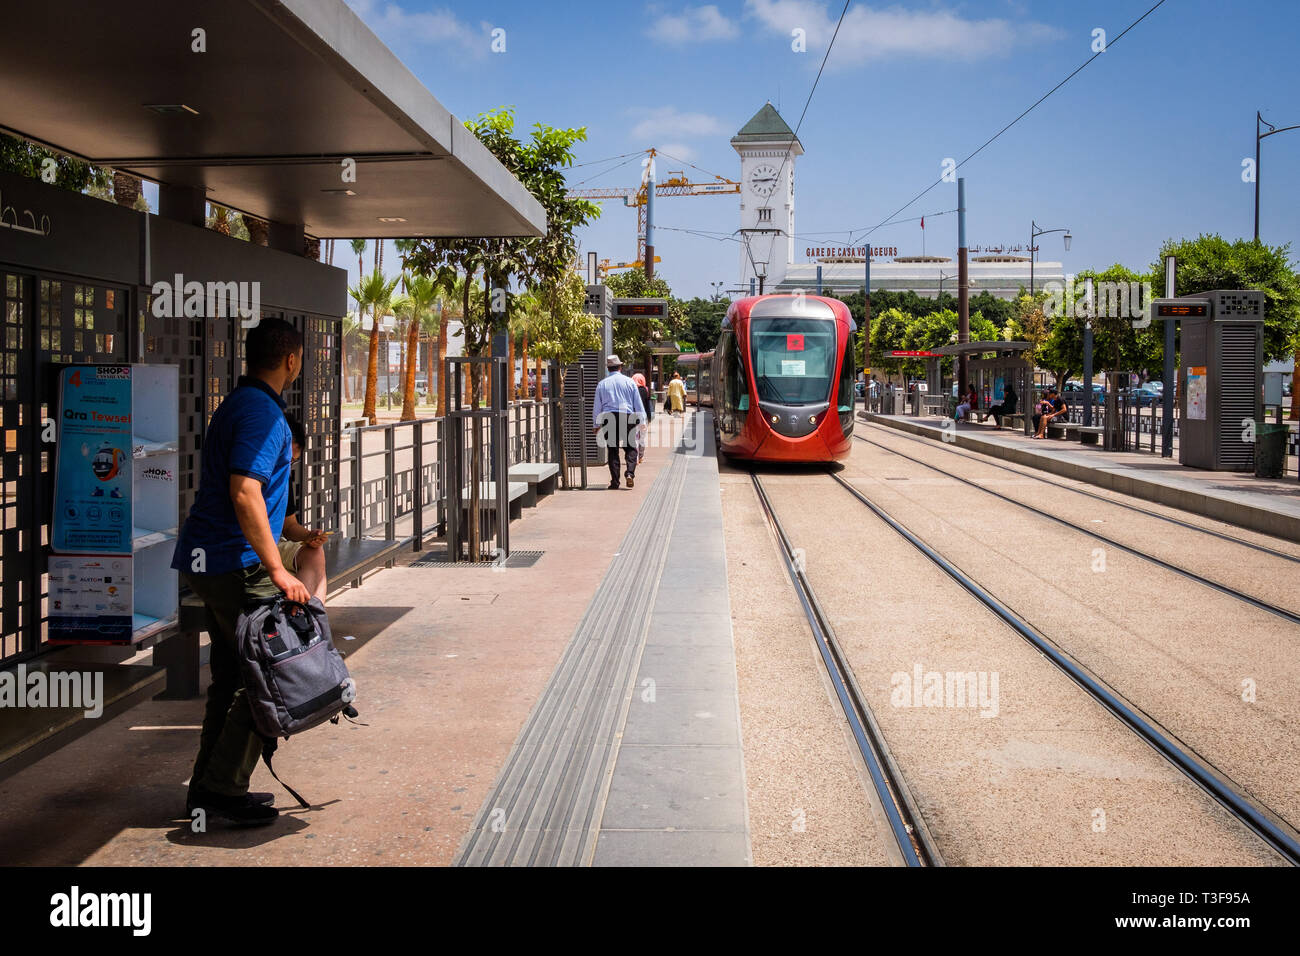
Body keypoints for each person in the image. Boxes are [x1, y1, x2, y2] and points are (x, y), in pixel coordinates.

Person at [172, 318, 308, 827]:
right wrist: (278, 569)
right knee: (271, 674)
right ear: (291, 360)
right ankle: (222, 789)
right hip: (238, 563)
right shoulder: (263, 416)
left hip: (209, 561)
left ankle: (207, 791)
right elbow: (246, 490)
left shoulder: (236, 404)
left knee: (232, 675)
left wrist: (289, 536)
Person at [280, 413, 329, 601]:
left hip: (273, 543)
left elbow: (289, 526)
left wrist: (309, 536)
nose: (287, 465)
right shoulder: (249, 477)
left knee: (314, 552)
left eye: (292, 461)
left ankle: (312, 621)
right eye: (285, 458)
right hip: (248, 546)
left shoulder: (283, 478)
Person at [592, 355, 646, 489]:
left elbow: (597, 406)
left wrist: (596, 425)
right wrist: (642, 420)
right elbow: (637, 404)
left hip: (608, 417)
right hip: (627, 417)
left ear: (608, 368)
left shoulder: (602, 384)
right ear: (620, 367)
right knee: (630, 447)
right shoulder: (629, 382)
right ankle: (629, 474)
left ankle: (615, 482)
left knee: (612, 449)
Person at [632, 372, 653, 463]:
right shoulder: (645, 390)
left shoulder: (631, 389)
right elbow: (648, 405)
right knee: (642, 437)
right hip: (643, 416)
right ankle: (640, 456)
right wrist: (649, 417)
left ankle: (635, 457)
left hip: (633, 416)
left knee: (634, 437)